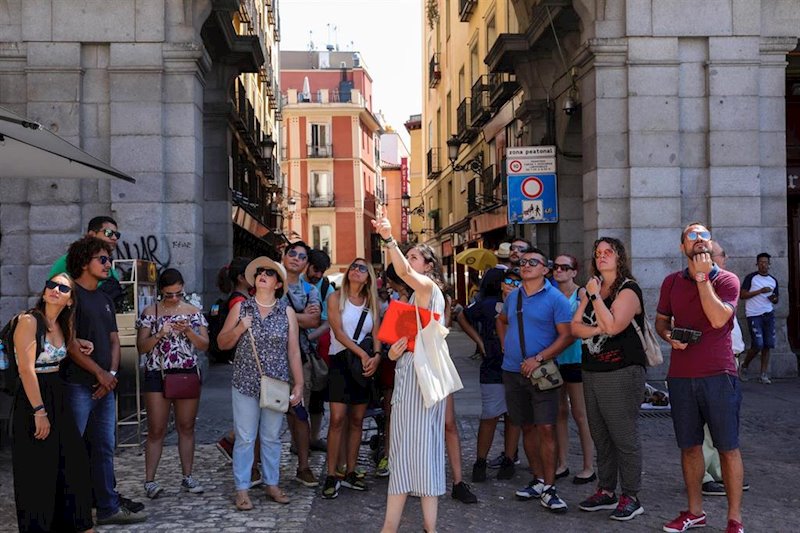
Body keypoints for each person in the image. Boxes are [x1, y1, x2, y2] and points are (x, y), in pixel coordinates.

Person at [655, 222, 744, 533]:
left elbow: (719, 319)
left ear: (711, 243)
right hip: (680, 376)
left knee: (727, 447)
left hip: (719, 374)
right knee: (690, 446)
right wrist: (668, 336)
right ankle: (695, 512)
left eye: (704, 236)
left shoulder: (728, 280)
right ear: (683, 248)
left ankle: (734, 520)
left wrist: (703, 278)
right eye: (691, 237)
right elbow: (661, 320)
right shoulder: (670, 283)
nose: (699, 241)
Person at [373, 217, 450, 533]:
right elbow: (398, 346)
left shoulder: (429, 288)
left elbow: (403, 271)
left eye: (415, 256)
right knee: (401, 456)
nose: (409, 261)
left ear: (429, 266)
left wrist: (390, 239)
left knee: (424, 455)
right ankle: (389, 528)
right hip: (407, 380)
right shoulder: (408, 300)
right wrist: (392, 353)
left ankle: (430, 529)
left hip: (423, 383)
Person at [63, 236, 146, 525]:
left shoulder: (104, 297)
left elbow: (113, 340)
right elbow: (70, 343)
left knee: (104, 447)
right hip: (77, 385)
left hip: (104, 386)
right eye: (102, 259)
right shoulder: (70, 294)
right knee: (73, 449)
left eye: (108, 259)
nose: (108, 264)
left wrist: (110, 375)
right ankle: (73, 511)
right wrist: (99, 375)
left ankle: (108, 506)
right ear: (84, 262)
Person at [217, 257, 304, 510]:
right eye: (260, 272)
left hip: (276, 384)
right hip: (245, 381)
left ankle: (272, 483)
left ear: (278, 284)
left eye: (269, 273)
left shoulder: (286, 312)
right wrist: (240, 328)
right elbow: (222, 343)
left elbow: (294, 352)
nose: (263, 275)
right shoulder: (241, 308)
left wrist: (299, 384)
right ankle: (242, 488)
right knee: (245, 437)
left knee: (271, 436)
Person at [570, 238, 647, 521]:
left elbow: (614, 327)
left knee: (623, 436)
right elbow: (575, 328)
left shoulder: (628, 290)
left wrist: (596, 301)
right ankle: (606, 490)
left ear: (619, 257)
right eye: (598, 253)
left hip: (622, 371)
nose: (601, 257)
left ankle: (631, 495)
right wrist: (598, 325)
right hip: (592, 370)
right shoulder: (593, 288)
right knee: (600, 435)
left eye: (608, 252)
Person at [12, 273, 94, 532]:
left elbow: (58, 348)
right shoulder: (28, 320)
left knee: (73, 462)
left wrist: (79, 342)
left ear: (70, 300)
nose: (55, 290)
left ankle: (76, 525)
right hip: (33, 397)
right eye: (51, 285)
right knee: (37, 470)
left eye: (63, 288)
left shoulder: (62, 324)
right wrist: (39, 411)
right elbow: (26, 370)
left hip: (57, 395)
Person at [496, 248, 572, 514]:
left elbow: (567, 335)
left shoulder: (556, 299)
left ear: (545, 269)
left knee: (547, 428)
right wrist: (506, 346)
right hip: (512, 372)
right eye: (523, 261)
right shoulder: (513, 297)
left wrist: (539, 358)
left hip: (542, 374)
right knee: (526, 426)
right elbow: (501, 321)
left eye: (533, 262)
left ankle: (550, 487)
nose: (526, 265)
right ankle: (539, 480)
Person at [136, 268, 209, 499]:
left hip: (186, 372)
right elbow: (141, 347)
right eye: (169, 294)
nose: (175, 298)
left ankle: (188, 476)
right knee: (156, 429)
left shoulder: (193, 312)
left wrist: (188, 330)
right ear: (161, 292)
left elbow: (204, 345)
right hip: (157, 373)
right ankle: (150, 481)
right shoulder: (151, 312)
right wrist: (159, 334)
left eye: (178, 293)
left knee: (186, 427)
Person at [322, 258, 382, 499]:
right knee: (337, 419)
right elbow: (338, 332)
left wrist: (376, 356)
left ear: (368, 277)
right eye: (354, 267)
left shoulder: (372, 302)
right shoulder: (336, 298)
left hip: (363, 365)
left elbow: (377, 331)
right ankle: (331, 473)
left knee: (357, 420)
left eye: (362, 269)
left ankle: (350, 469)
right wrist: (364, 353)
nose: (356, 271)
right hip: (341, 361)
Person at [703, 243, 749, 497]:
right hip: (713, 364)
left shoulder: (727, 282)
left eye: (717, 255)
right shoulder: (701, 285)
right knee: (706, 426)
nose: (722, 259)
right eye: (716, 256)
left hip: (731, 361)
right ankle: (704, 476)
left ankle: (721, 472)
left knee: (724, 423)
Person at [459, 268, 507, 484]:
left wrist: (479, 342)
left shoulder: (516, 301)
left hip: (509, 364)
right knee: (492, 415)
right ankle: (483, 461)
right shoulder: (486, 304)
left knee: (501, 416)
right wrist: (479, 342)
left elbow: (462, 317)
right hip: (494, 364)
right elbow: (461, 316)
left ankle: (502, 459)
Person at [551, 253, 596, 485]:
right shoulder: (550, 295)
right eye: (555, 267)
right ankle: (562, 463)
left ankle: (589, 466)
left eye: (564, 267)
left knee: (580, 414)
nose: (558, 271)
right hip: (556, 360)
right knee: (559, 412)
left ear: (573, 272)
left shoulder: (582, 294)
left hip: (577, 358)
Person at [281, 241, 322, 487]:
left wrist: (281, 314)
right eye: (292, 254)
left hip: (300, 357)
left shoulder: (310, 290)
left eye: (302, 256)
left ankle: (303, 466)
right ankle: (256, 466)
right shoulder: (271, 280)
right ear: (284, 256)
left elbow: (314, 321)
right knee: (267, 412)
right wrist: (299, 317)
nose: (296, 258)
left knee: (299, 411)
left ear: (306, 263)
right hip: (270, 358)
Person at [49, 216, 124, 308]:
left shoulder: (110, 269)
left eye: (117, 235)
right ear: (92, 234)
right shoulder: (66, 261)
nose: (114, 238)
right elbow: (52, 295)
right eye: (108, 233)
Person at [303, 249, 336, 452]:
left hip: (316, 351)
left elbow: (327, 322)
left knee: (316, 395)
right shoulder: (292, 282)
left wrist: (307, 338)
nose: (318, 275)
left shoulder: (326, 289)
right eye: (315, 269)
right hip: (289, 347)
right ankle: (300, 440)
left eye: (321, 271)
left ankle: (313, 438)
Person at [739, 252, 779, 384]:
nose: (763, 265)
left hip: (768, 314)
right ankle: (744, 366)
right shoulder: (751, 278)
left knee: (768, 345)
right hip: (754, 315)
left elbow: (776, 299)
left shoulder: (773, 280)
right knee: (758, 344)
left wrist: (773, 298)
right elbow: (743, 295)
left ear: (769, 264)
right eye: (761, 262)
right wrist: (759, 291)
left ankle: (763, 374)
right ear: (757, 264)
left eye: (766, 263)